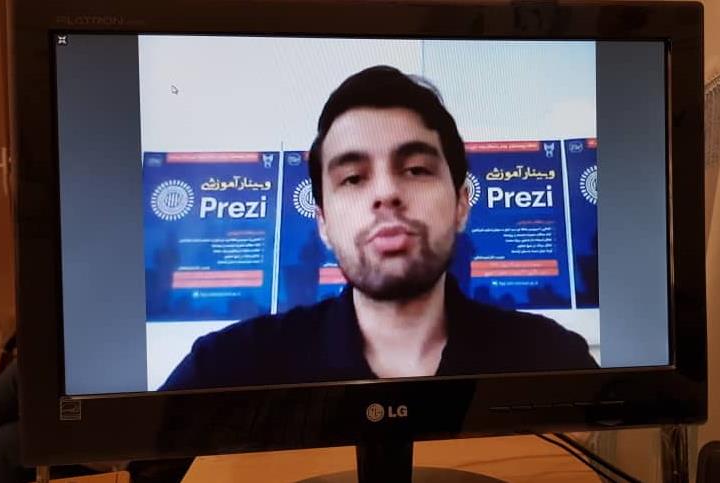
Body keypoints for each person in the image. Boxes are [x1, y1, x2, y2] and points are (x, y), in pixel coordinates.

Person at [161, 66, 598, 391]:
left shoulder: (553, 361)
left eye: (416, 169)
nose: (386, 193)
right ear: (323, 223)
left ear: (462, 204)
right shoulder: (227, 369)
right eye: (353, 178)